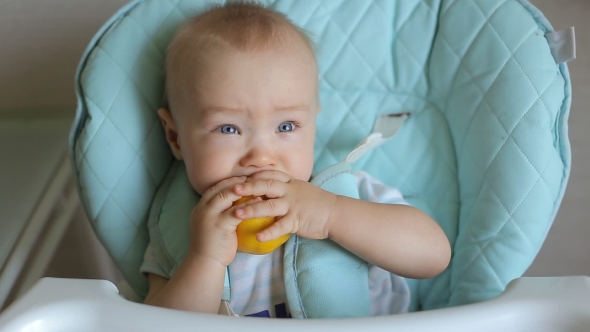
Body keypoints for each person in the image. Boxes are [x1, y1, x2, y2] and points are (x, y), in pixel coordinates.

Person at [141, 1, 451, 318]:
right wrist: (204, 259)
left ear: (312, 126)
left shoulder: (345, 195)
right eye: (228, 128)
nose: (261, 157)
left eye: (286, 126)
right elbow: (153, 326)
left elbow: (434, 256)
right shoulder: (180, 228)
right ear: (176, 137)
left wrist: (331, 214)